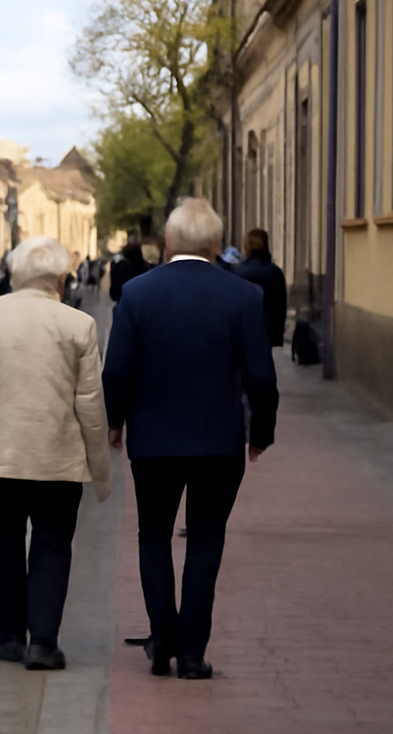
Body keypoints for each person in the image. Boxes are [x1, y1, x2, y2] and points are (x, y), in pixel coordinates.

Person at [102, 198, 279, 680]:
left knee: (154, 535)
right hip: (219, 442)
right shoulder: (244, 296)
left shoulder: (137, 293)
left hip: (154, 441)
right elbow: (261, 377)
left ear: (167, 242)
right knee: (206, 540)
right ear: (217, 245)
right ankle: (194, 654)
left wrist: (114, 421)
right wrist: (261, 431)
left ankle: (162, 637)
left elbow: (117, 371)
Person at [0, 236, 113, 671]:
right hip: (58, 460)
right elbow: (91, 406)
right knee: (52, 548)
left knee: (4, 548)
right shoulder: (78, 325)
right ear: (61, 278)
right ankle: (44, 643)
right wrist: (100, 470)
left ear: (14, 274)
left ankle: (10, 638)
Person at [235, 228, 288, 348]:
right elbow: (281, 306)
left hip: (245, 334)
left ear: (247, 247)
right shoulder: (276, 272)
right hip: (269, 334)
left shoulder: (240, 272)